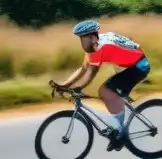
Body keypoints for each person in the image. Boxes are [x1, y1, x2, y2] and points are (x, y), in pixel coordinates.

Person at [49, 20, 151, 151]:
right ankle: (118, 121)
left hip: (139, 66)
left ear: (92, 37)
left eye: (83, 39)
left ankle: (120, 134)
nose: (81, 42)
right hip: (125, 65)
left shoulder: (100, 48)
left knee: (106, 91)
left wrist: (76, 88)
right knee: (109, 93)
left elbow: (90, 73)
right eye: (80, 39)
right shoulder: (94, 44)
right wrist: (63, 85)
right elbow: (83, 68)